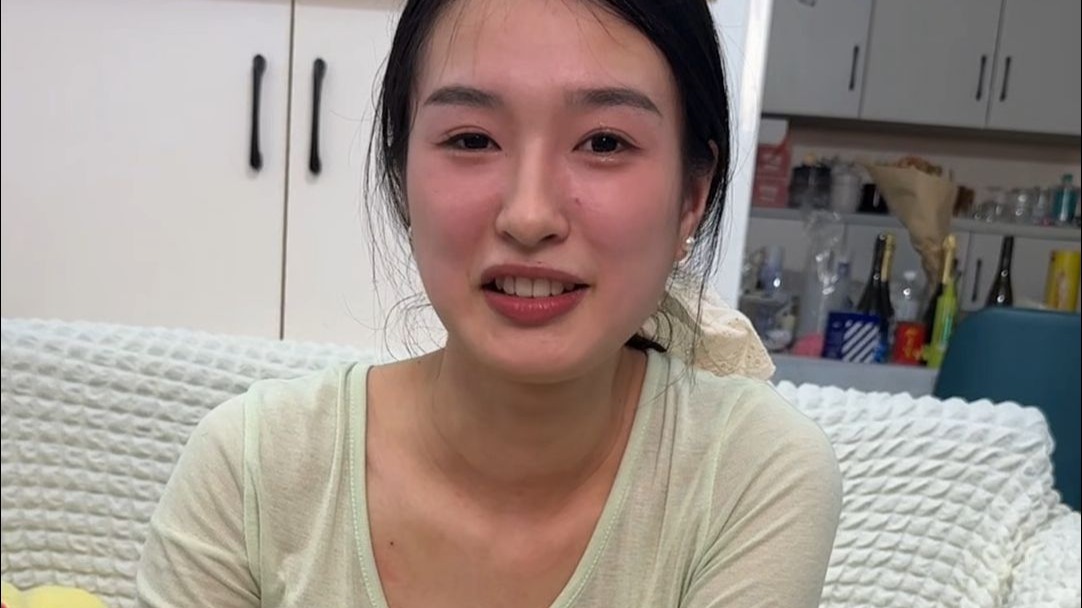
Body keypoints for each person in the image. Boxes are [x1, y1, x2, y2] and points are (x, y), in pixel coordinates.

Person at [136, 0, 842, 606]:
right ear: (401, 176)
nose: (529, 216)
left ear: (691, 197)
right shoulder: (252, 468)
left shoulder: (750, 473)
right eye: (471, 139)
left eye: (604, 142)